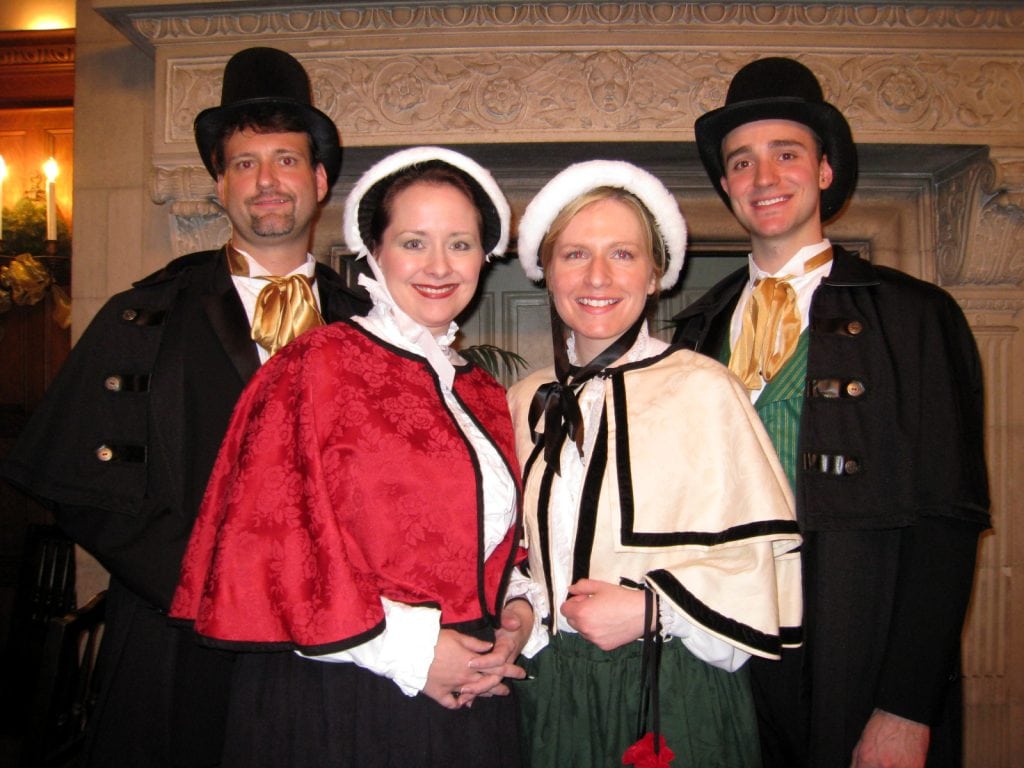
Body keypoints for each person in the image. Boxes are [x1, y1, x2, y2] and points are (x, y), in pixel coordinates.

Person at [0, 47, 369, 767]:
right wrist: (214, 583)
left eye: (286, 160)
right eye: (243, 164)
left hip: (344, 642)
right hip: (180, 637)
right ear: (219, 188)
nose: (266, 181)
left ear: (321, 182)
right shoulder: (144, 315)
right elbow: (82, 488)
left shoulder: (373, 325)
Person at [672, 57, 990, 768]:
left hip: (861, 648)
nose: (764, 178)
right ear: (726, 184)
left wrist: (905, 707)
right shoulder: (693, 329)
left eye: (787, 154)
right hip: (725, 660)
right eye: (742, 162)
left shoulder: (916, 317)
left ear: (823, 171)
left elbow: (950, 520)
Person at [170, 146, 534, 767]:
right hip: (344, 694)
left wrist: (519, 611)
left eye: (461, 244)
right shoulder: (315, 367)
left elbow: (499, 542)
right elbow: (274, 548)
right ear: (376, 251)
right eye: (414, 242)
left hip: (473, 687)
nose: (440, 266)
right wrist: (417, 653)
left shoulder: (483, 391)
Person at [506, 159, 803, 767]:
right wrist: (520, 607)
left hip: (675, 688)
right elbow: (510, 549)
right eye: (574, 254)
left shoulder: (704, 388)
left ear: (655, 273)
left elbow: (762, 569)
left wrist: (653, 609)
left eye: (622, 254)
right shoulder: (523, 399)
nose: (597, 276)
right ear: (547, 271)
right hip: (549, 688)